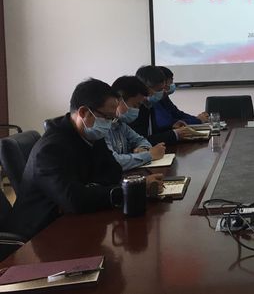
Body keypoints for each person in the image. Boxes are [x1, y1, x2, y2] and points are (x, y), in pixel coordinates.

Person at [6, 78, 163, 240]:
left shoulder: (92, 136)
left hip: (73, 222)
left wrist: (91, 189)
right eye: (108, 117)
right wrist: (133, 190)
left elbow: (113, 172)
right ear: (83, 113)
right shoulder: (50, 149)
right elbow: (74, 200)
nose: (110, 124)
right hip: (40, 234)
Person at [108, 76, 166, 170]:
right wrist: (149, 155)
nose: (137, 110)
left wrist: (143, 150)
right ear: (119, 100)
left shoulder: (121, 124)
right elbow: (113, 161)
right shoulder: (102, 128)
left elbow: (141, 140)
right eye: (135, 105)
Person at [129, 65, 195, 145]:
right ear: (145, 88)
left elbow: (153, 132)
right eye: (159, 90)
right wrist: (175, 134)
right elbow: (141, 141)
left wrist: (172, 127)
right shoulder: (134, 110)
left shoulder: (149, 106)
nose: (163, 92)